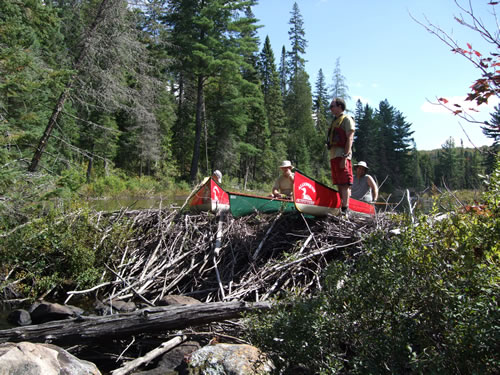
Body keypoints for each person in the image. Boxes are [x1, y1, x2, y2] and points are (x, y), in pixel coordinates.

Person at [326, 97, 355, 216]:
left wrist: (345, 157)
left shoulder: (347, 119)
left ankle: (345, 210)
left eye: (332, 106)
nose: (330, 108)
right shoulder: (334, 121)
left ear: (340, 107)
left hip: (342, 155)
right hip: (334, 156)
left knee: (345, 183)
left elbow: (350, 138)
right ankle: (341, 208)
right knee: (339, 183)